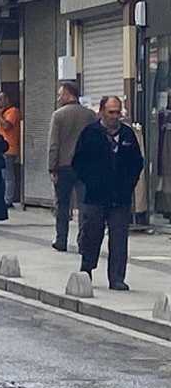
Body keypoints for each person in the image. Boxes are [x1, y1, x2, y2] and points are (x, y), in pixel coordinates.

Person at [72, 96, 144, 291]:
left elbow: (137, 162)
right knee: (92, 234)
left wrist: (129, 184)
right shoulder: (90, 133)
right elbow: (78, 162)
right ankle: (87, 268)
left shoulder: (127, 135)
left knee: (119, 238)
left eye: (117, 112)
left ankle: (117, 277)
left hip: (120, 197)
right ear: (102, 112)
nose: (114, 116)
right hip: (95, 195)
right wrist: (90, 181)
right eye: (111, 112)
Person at [47, 82, 97, 252]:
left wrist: (52, 167)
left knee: (62, 205)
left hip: (64, 166)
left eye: (60, 94)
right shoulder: (90, 115)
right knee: (84, 205)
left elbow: (54, 144)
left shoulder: (58, 115)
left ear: (69, 94)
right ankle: (84, 241)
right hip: (85, 167)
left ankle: (61, 240)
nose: (58, 98)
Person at [0, 92, 22, 207]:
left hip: (9, 149)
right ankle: (3, 198)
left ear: (7, 99)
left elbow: (6, 126)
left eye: (0, 99)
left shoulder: (12, 112)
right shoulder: (4, 113)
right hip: (1, 149)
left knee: (8, 176)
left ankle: (8, 200)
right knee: (2, 175)